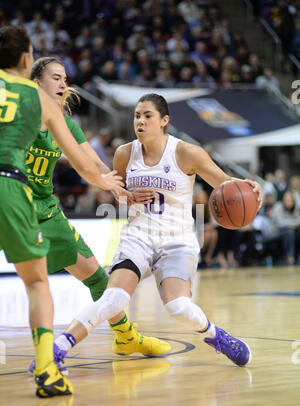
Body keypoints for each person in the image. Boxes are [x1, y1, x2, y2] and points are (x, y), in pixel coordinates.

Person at [50, 93, 263, 369]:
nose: (140, 121)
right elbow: (119, 194)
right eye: (137, 115)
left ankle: (217, 337)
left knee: (178, 308)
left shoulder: (187, 152)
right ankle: (59, 348)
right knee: (113, 298)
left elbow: (224, 183)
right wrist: (128, 196)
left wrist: (252, 186)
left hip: (177, 239)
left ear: (164, 120)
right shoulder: (124, 153)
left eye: (147, 115)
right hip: (138, 235)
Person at [0, 26, 123, 398]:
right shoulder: (38, 101)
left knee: (93, 275)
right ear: (27, 60)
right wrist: (109, 183)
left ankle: (127, 335)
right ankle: (47, 370)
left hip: (39, 203)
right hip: (10, 186)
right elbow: (86, 166)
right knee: (38, 284)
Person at [28, 58, 171, 375]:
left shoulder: (66, 125)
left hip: (45, 210)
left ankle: (126, 337)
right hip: (8, 202)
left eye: (66, 78)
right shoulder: (16, 115)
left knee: (99, 278)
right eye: (55, 78)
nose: (64, 84)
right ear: (35, 82)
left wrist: (124, 189)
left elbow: (92, 165)